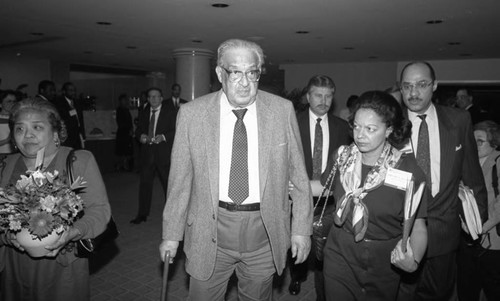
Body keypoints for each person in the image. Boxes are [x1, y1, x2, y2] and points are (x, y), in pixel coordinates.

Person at [159, 39, 313, 301]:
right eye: (235, 72)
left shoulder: (281, 110)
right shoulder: (192, 114)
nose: (245, 82)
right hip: (210, 228)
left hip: (264, 229)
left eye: (252, 72)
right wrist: (172, 234)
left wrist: (301, 229)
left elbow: (298, 176)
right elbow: (180, 181)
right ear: (220, 74)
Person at [0, 98, 111, 300]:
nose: (28, 135)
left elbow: (99, 210)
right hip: (15, 263)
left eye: (37, 127)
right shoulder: (6, 164)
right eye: (19, 129)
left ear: (55, 132)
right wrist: (6, 236)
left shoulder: (78, 160)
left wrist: (73, 232)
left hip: (62, 262)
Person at [322, 90, 428, 300]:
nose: (360, 135)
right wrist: (288, 186)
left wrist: (413, 260)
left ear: (389, 129)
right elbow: (324, 187)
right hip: (340, 251)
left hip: (385, 259)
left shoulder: (408, 170)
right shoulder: (343, 157)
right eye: (356, 126)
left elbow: (418, 225)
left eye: (370, 129)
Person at [397, 61, 487, 300]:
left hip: (444, 232)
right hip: (400, 232)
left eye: (421, 85)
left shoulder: (458, 120)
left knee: (438, 294)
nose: (413, 93)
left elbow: (472, 173)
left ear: (434, 85)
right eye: (407, 86)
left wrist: (478, 219)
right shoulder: (391, 123)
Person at [291, 75, 351, 299]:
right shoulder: (292, 122)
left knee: (325, 250)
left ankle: (322, 292)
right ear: (308, 96)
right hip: (297, 195)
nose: (323, 100)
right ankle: (297, 276)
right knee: (298, 242)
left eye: (328, 96)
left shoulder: (343, 127)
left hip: (329, 198)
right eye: (318, 95)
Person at [457, 120, 500, 301]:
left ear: (494, 143)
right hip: (467, 240)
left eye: (480, 141)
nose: (474, 145)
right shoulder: (465, 163)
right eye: (472, 140)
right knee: (467, 287)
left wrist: (481, 227)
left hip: (491, 241)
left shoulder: (497, 162)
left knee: (493, 288)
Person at [130, 87, 176, 224]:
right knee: (145, 185)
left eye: (156, 96)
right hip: (147, 154)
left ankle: (173, 216)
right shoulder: (144, 112)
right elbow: (138, 130)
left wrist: (163, 137)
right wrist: (141, 136)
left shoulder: (170, 112)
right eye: (150, 97)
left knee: (168, 186)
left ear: (161, 98)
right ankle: (142, 214)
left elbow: (176, 130)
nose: (153, 99)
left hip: (164, 154)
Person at [52, 82, 85, 149]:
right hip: (67, 135)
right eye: (70, 90)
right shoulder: (59, 103)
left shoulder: (77, 102)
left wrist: (83, 134)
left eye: (74, 90)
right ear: (64, 91)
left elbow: (80, 119)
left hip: (77, 134)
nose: (73, 92)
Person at [115, 93, 133, 171]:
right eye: (123, 100)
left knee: (127, 150)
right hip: (122, 132)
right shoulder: (119, 110)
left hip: (126, 132)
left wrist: (131, 129)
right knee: (122, 150)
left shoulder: (126, 109)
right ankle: (121, 165)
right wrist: (128, 129)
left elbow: (130, 121)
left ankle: (125, 165)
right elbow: (121, 122)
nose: (125, 101)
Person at [0, 90, 18, 154]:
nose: (12, 104)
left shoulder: (18, 118)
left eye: (14, 101)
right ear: (1, 104)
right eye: (9, 101)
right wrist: (7, 140)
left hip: (15, 155)